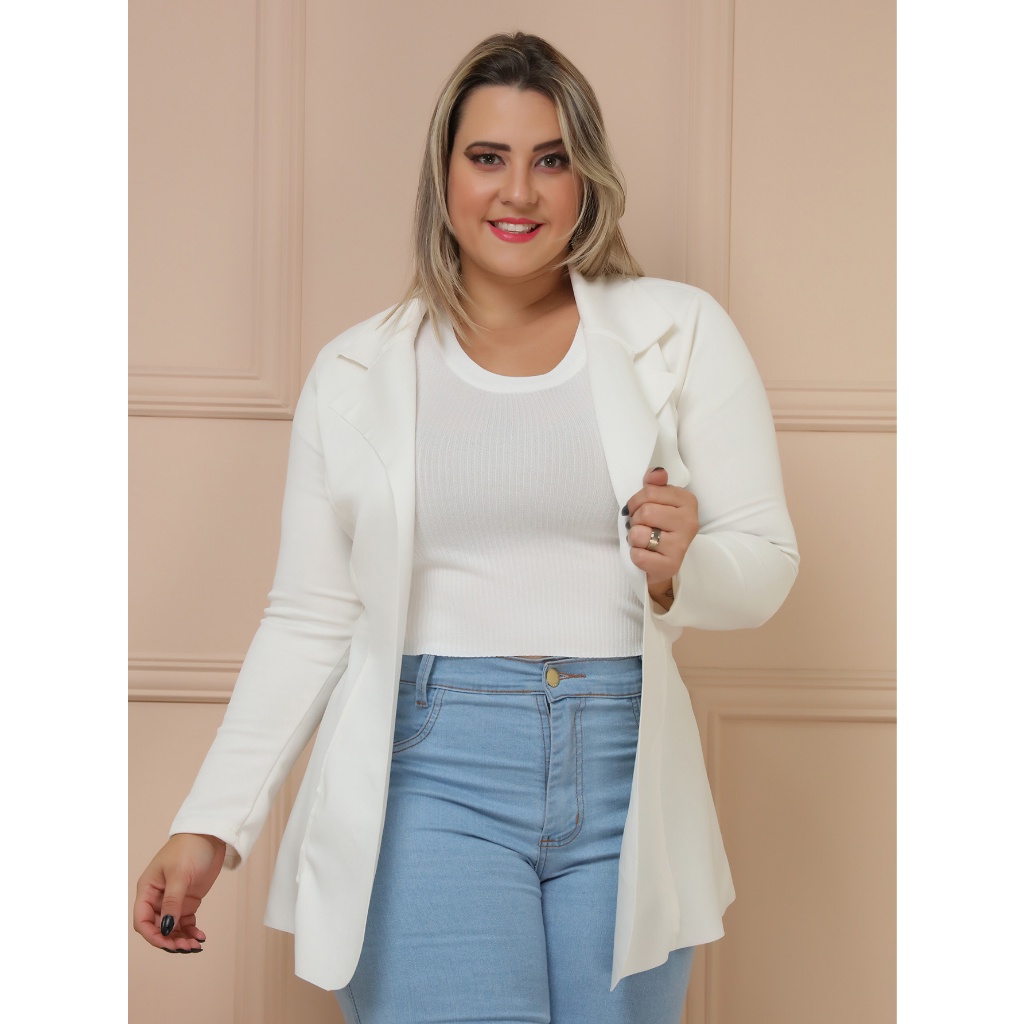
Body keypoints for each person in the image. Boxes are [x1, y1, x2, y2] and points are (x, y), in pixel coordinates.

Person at [133, 31, 799, 1024]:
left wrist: (677, 572)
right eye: (488, 157)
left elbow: (767, 563)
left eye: (551, 159)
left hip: (628, 774)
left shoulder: (681, 330)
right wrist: (210, 823)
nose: (518, 192)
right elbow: (310, 616)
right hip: (429, 771)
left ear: (587, 178)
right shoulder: (356, 372)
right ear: (443, 175)